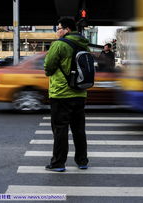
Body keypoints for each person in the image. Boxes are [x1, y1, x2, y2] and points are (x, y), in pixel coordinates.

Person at [44, 17, 89, 172]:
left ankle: (58, 163)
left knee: (60, 129)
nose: (57, 31)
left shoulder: (59, 44)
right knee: (79, 129)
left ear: (67, 29)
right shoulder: (84, 44)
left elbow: (48, 67)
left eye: (58, 28)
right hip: (80, 93)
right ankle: (82, 160)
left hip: (61, 94)